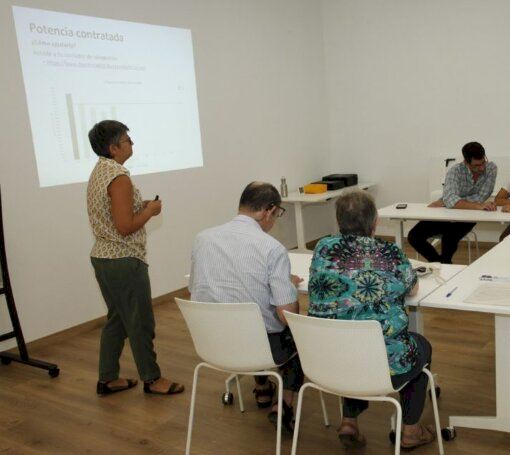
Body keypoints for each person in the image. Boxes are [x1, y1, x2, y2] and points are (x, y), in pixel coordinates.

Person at [308, 191, 436, 450]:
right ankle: (411, 431)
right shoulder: (389, 252)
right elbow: (412, 288)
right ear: (375, 221)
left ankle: (349, 422)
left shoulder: (323, 248)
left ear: (339, 221)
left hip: (328, 360)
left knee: (348, 338)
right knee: (421, 349)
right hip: (380, 364)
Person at [189, 182, 304, 432]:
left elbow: (195, 290)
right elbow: (288, 315)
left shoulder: (202, 239)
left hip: (213, 342)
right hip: (259, 345)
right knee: (292, 335)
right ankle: (283, 405)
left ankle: (262, 388)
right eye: (278, 214)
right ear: (268, 211)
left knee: (247, 317)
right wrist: (287, 285)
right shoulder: (272, 248)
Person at [87, 120, 184, 396]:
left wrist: (140, 206)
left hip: (104, 258)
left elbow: (115, 213)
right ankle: (152, 379)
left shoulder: (100, 171)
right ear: (113, 147)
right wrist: (150, 211)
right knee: (140, 322)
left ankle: (107, 378)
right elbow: (125, 226)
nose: (132, 144)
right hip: (123, 260)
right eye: (127, 140)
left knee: (118, 320)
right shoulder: (119, 178)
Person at [408, 141, 497, 263]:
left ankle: (443, 265)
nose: (481, 168)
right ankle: (439, 264)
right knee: (414, 236)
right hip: (447, 213)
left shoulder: (491, 168)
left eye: (483, 162)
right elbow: (452, 200)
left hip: (469, 215)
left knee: (449, 238)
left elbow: (481, 196)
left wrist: (450, 201)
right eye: (476, 165)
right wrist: (452, 201)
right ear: (466, 162)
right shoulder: (455, 171)